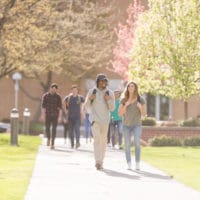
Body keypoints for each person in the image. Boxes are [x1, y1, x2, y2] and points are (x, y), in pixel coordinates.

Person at [84, 74, 115, 170]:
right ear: (97, 82)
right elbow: (86, 107)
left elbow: (112, 108)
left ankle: (101, 161)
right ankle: (97, 161)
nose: (103, 83)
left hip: (105, 121)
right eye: (101, 81)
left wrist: (108, 100)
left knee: (103, 142)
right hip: (95, 120)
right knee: (97, 139)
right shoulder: (91, 92)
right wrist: (90, 99)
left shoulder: (110, 93)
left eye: (105, 81)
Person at [118, 81, 146, 170]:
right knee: (127, 145)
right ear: (127, 88)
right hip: (126, 125)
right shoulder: (124, 100)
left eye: (132, 86)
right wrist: (126, 105)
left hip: (137, 124)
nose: (130, 88)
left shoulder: (140, 99)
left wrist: (140, 107)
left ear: (135, 88)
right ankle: (129, 164)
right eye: (129, 86)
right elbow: (120, 113)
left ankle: (137, 163)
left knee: (137, 143)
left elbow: (144, 114)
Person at [41, 83, 62, 149]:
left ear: (56, 90)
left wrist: (60, 117)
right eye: (52, 89)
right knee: (47, 128)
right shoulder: (45, 96)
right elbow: (43, 106)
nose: (54, 90)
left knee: (54, 129)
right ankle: (48, 138)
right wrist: (42, 115)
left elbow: (60, 108)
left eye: (55, 89)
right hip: (48, 114)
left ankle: (52, 143)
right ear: (50, 88)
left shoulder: (58, 97)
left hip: (55, 115)